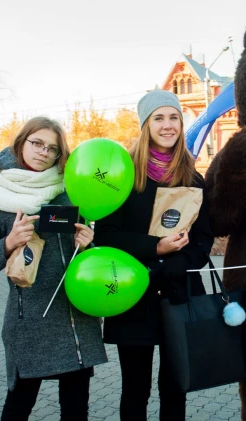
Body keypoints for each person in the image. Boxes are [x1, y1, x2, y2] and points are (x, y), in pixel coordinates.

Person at [0, 117, 108, 421]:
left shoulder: (71, 190)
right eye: (37, 143)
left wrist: (87, 245)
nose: (44, 152)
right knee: (18, 408)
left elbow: (86, 259)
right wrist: (7, 243)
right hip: (29, 322)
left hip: (74, 319)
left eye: (53, 149)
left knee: (76, 412)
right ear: (21, 143)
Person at [94, 90, 213, 421]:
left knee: (175, 387)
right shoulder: (123, 178)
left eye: (174, 117)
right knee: (135, 389)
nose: (168, 125)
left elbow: (204, 239)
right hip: (133, 293)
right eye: (159, 118)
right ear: (146, 125)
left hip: (179, 293)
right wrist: (155, 248)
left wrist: (180, 261)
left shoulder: (192, 178)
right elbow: (105, 236)